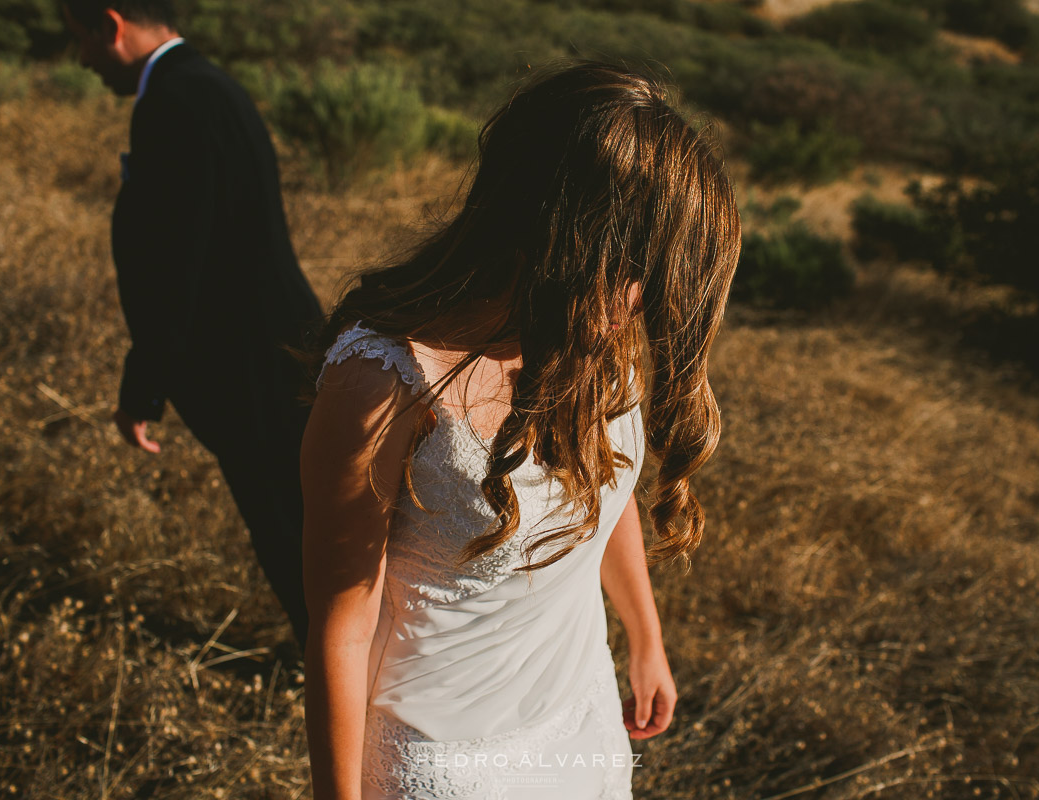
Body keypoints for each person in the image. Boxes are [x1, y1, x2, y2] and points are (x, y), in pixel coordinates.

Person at [301, 62, 741, 799]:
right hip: (446, 764)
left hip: (579, 719)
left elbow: (604, 484)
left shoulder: (596, 335)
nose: (640, 300)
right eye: (631, 266)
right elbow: (340, 632)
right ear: (558, 234)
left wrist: (645, 636)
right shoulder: (382, 383)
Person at [63, 0, 322, 649]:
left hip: (247, 362)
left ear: (112, 26)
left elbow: (174, 266)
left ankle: (344, 682)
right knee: (306, 522)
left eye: (82, 39)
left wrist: (143, 387)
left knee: (289, 531)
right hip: (285, 343)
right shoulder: (212, 85)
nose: (81, 59)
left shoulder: (172, 104)